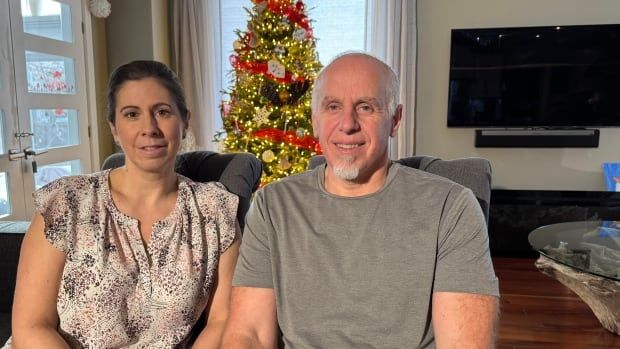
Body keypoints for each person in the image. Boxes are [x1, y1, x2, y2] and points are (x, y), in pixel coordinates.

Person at [221, 52, 500, 348]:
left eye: (365, 107)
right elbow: (247, 334)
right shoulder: (272, 206)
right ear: (315, 121)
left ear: (394, 120)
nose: (347, 124)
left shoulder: (451, 207)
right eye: (333, 107)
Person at [6, 60, 240, 348]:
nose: (149, 128)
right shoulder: (66, 203)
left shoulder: (216, 211)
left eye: (163, 112)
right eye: (132, 114)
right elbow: (31, 326)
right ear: (114, 129)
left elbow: (223, 321)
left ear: (185, 121)